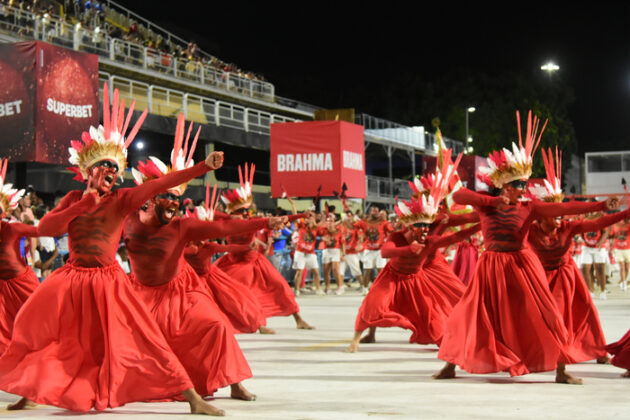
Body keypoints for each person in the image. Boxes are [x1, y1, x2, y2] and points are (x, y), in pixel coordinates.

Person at [0, 85, 225, 415]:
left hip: (110, 281)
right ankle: (32, 390)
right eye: (105, 167)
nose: (112, 173)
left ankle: (193, 399)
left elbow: (159, 185)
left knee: (146, 337)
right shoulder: (74, 200)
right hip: (71, 279)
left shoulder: (123, 200)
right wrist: (83, 204)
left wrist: (203, 167)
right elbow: (46, 229)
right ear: (89, 171)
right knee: (35, 327)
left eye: (116, 169)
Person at [435, 111, 618, 384]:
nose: (524, 188)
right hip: (490, 265)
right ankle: (450, 365)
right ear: (502, 186)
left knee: (546, 314)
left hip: (521, 265)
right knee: (466, 314)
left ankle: (561, 370)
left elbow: (564, 207)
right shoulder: (484, 203)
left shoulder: (529, 207)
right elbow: (458, 195)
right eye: (518, 184)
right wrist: (489, 203)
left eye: (524, 184)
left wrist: (600, 205)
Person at [346, 159, 477, 352]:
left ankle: (463, 332)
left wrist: (489, 214)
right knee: (375, 302)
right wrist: (408, 248)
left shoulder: (441, 218)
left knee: (457, 296)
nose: (430, 200)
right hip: (401, 268)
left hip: (430, 263)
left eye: (433, 197)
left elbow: (464, 224)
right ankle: (367, 334)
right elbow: (387, 249)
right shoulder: (408, 223)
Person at [527, 147, 627, 364]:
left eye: (560, 213)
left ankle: (597, 350)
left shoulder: (568, 227)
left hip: (566, 274)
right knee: (545, 315)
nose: (558, 217)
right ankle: (548, 352)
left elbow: (599, 222)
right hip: (542, 277)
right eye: (553, 214)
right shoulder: (530, 230)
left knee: (586, 310)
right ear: (541, 216)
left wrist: (625, 212)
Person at [214, 163, 314, 329]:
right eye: (243, 211)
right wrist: (230, 216)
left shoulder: (251, 222)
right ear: (233, 211)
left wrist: (302, 215)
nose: (247, 213)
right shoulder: (226, 222)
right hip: (234, 264)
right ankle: (258, 324)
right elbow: (207, 214)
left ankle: (298, 320)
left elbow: (278, 220)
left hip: (255, 262)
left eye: (247, 210)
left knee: (281, 286)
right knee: (244, 294)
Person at [0, 159, 40, 355]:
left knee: (35, 323)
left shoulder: (13, 226)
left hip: (20, 283)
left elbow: (42, 231)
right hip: (1, 287)